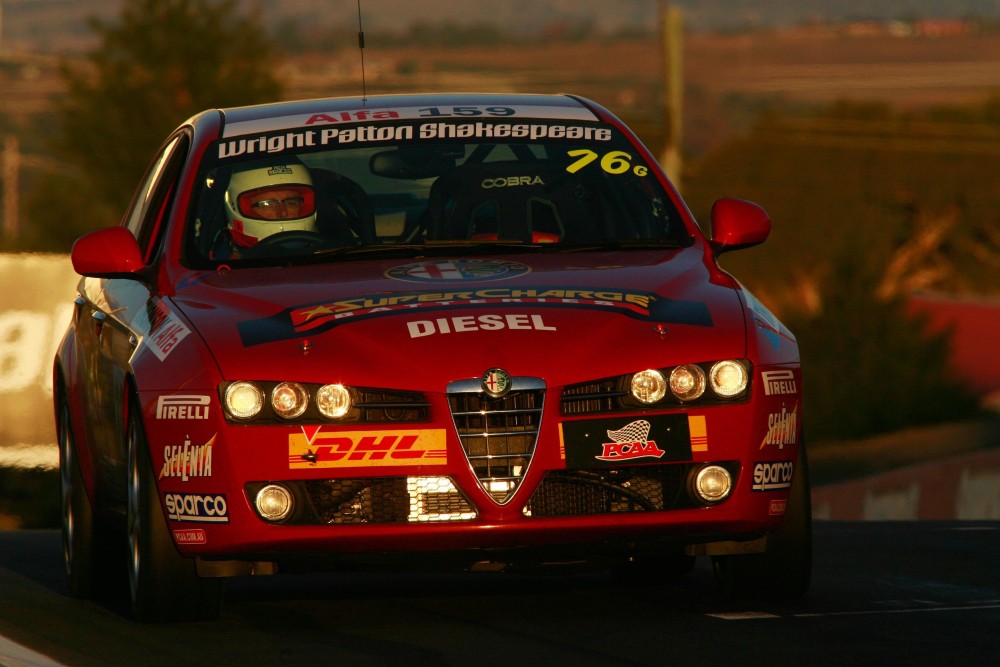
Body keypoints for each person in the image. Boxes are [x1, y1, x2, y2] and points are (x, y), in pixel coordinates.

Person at [212, 160, 318, 259]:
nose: (283, 212)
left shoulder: (329, 256)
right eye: (267, 204)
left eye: (291, 202)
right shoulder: (219, 269)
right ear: (234, 206)